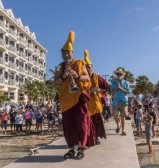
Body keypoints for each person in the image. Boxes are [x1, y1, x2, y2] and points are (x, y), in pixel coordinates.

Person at [54, 31, 91, 159]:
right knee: (69, 126)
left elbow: (88, 78)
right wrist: (64, 76)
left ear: (72, 53)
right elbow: (55, 83)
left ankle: (81, 147)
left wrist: (78, 76)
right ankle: (73, 148)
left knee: (81, 124)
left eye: (67, 52)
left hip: (78, 98)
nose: (65, 55)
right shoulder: (60, 67)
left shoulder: (80, 63)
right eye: (63, 53)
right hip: (65, 100)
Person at [84, 49, 109, 145]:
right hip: (86, 104)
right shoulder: (81, 77)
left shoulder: (96, 77)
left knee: (97, 123)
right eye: (86, 67)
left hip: (96, 103)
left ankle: (96, 137)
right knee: (87, 123)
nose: (88, 69)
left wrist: (100, 91)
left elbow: (106, 87)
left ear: (92, 67)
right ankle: (89, 139)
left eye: (89, 67)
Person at [110, 68, 131, 136]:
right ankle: (118, 125)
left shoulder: (126, 82)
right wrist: (116, 87)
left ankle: (123, 130)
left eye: (120, 74)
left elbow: (128, 92)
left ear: (123, 75)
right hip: (115, 101)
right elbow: (111, 93)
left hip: (124, 101)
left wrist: (120, 88)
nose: (118, 75)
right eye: (117, 74)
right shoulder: (113, 82)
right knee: (114, 115)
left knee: (122, 116)